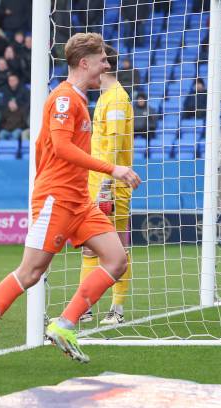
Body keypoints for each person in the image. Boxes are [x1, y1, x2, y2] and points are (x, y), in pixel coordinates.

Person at [0, 32, 141, 371]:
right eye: (102, 59)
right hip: (54, 200)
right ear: (84, 62)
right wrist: (112, 168)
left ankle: (65, 324)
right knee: (30, 273)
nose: (107, 64)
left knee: (116, 260)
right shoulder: (63, 99)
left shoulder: (82, 100)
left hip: (79, 201)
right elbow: (61, 148)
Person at [80, 45, 134, 325]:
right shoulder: (104, 98)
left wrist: (105, 184)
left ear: (106, 66)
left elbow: (113, 146)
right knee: (90, 247)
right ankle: (86, 306)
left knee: (117, 247)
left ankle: (117, 309)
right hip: (96, 183)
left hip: (110, 186)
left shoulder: (116, 99)